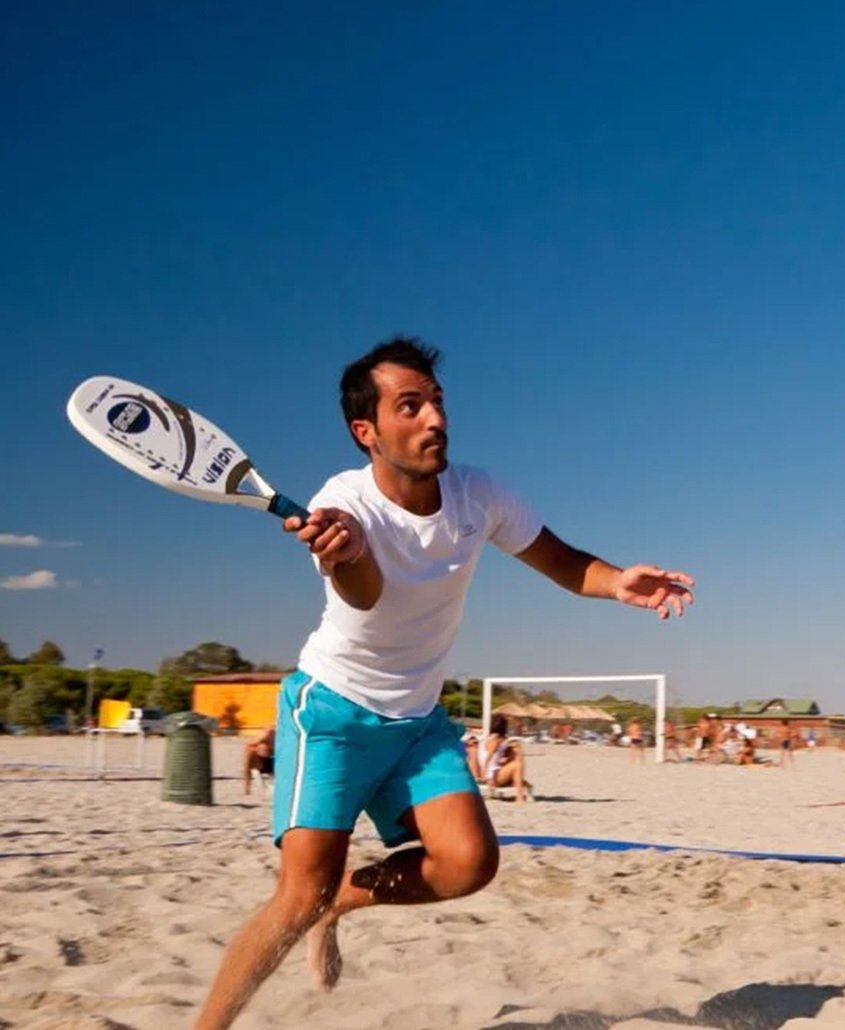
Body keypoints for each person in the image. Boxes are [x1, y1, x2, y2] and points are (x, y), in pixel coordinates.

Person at [194, 337, 695, 1030]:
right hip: (335, 712)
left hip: (418, 721)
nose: (434, 419)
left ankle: (343, 901)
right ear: (365, 431)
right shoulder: (342, 504)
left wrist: (617, 583)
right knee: (294, 896)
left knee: (467, 863)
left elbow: (560, 560)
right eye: (411, 405)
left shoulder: (478, 493)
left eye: (437, 402)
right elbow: (363, 592)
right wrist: (347, 553)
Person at [475, 715, 531, 802]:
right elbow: (488, 759)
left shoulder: (488, 739)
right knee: (517, 764)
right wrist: (485, 775)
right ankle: (519, 797)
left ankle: (517, 784)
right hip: (493, 777)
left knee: (516, 749)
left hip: (493, 774)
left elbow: (490, 758)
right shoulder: (495, 740)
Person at [242, 726, 276, 796]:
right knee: (251, 751)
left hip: (271, 762)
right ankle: (247, 787)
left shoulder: (270, 732)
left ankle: (247, 787)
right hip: (267, 762)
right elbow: (250, 745)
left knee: (251, 750)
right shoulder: (269, 732)